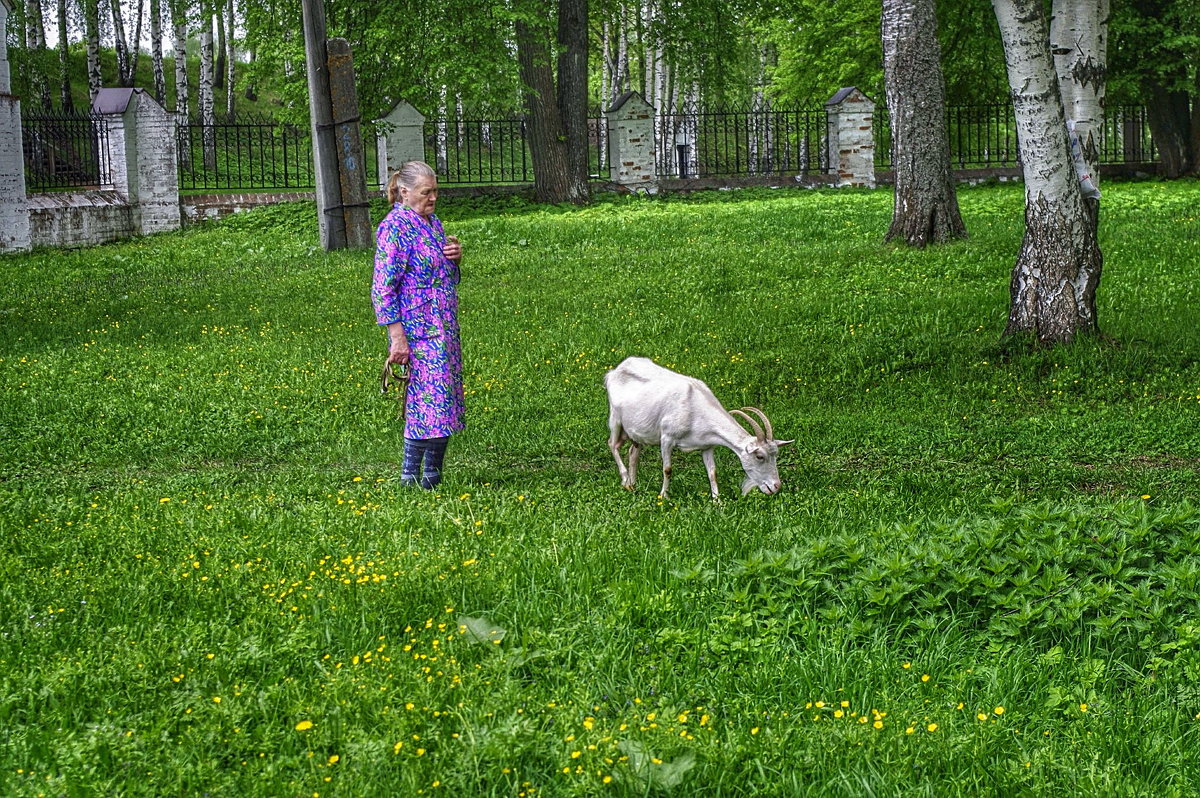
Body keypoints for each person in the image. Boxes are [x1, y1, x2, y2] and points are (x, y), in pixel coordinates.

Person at [371, 161, 465, 489]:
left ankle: (432, 475)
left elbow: (444, 276)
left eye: (436, 191)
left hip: (443, 327)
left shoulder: (432, 223)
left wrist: (454, 259)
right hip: (417, 329)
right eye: (427, 192)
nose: (434, 197)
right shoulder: (395, 226)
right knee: (427, 402)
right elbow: (383, 286)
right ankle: (410, 477)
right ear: (405, 192)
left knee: (443, 402)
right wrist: (397, 337)